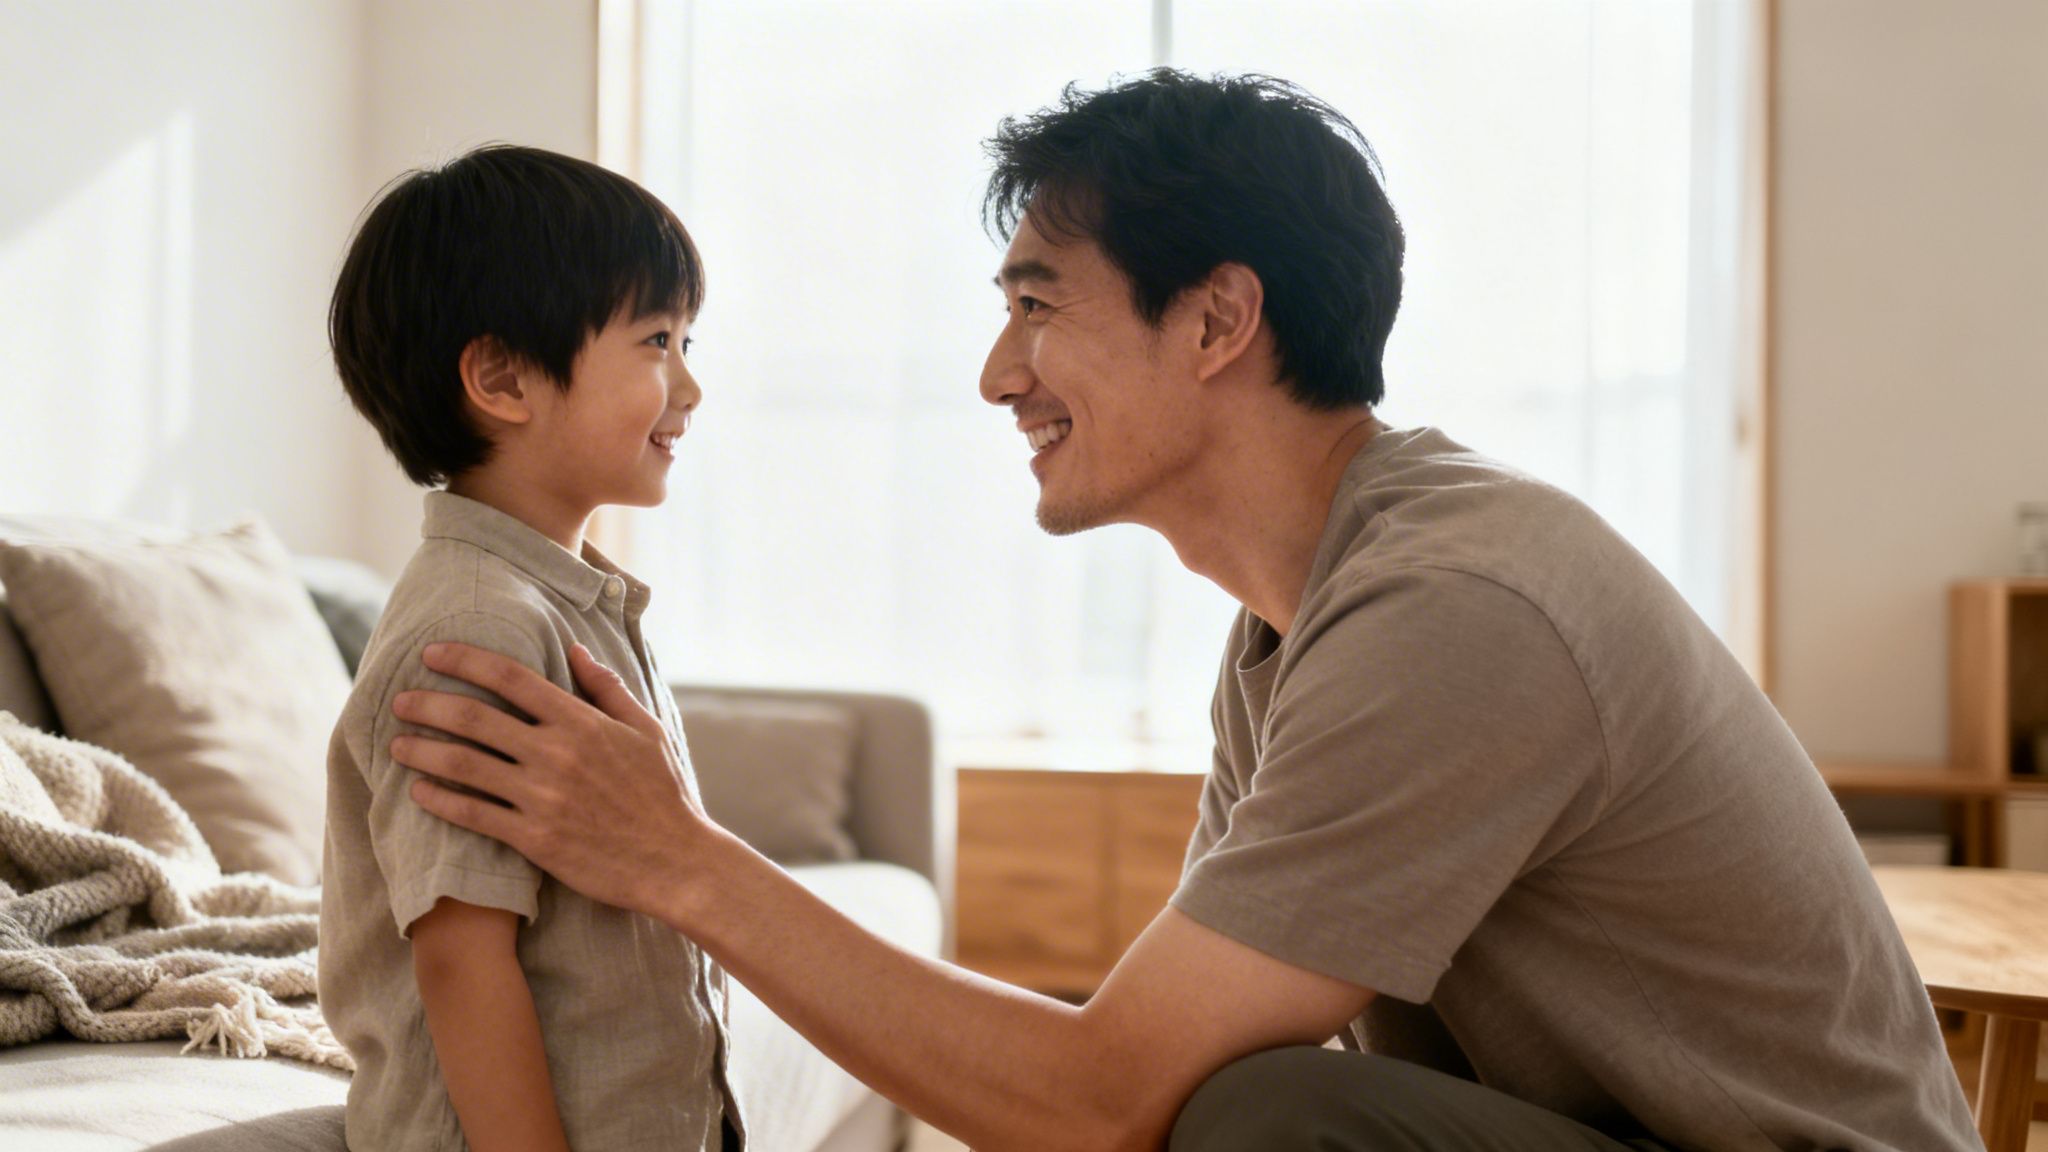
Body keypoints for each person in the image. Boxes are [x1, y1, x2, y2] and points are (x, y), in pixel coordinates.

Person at [384, 74, 1977, 1151]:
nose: (995, 376)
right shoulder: (1293, 625)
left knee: (1264, 1126)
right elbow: (1150, 1064)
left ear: (1218, 320)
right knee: (1249, 1100)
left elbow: (1109, 1101)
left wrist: (680, 860)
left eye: (1035, 306)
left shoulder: (1457, 610)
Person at [319, 144, 742, 1151]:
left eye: (687, 340)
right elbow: (462, 956)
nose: (689, 386)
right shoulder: (477, 629)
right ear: (503, 378)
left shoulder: (567, 601)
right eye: (656, 341)